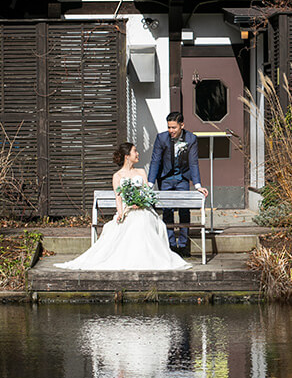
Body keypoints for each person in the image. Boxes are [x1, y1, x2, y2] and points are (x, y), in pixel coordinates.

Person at [56, 142, 190, 271]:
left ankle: (147, 259)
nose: (137, 154)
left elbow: (147, 192)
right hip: (128, 210)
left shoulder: (141, 172)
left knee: (144, 221)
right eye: (135, 151)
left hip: (143, 209)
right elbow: (118, 198)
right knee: (130, 223)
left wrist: (142, 202)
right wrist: (121, 213)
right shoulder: (117, 176)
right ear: (127, 156)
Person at [148, 111, 208, 254]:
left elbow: (193, 163)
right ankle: (170, 244)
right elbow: (155, 161)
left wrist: (197, 185)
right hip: (165, 179)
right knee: (167, 211)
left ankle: (183, 244)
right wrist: (150, 184)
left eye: (174, 127)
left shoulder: (191, 138)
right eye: (169, 127)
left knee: (184, 210)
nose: (171, 131)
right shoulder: (161, 138)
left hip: (182, 178)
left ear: (182, 125)